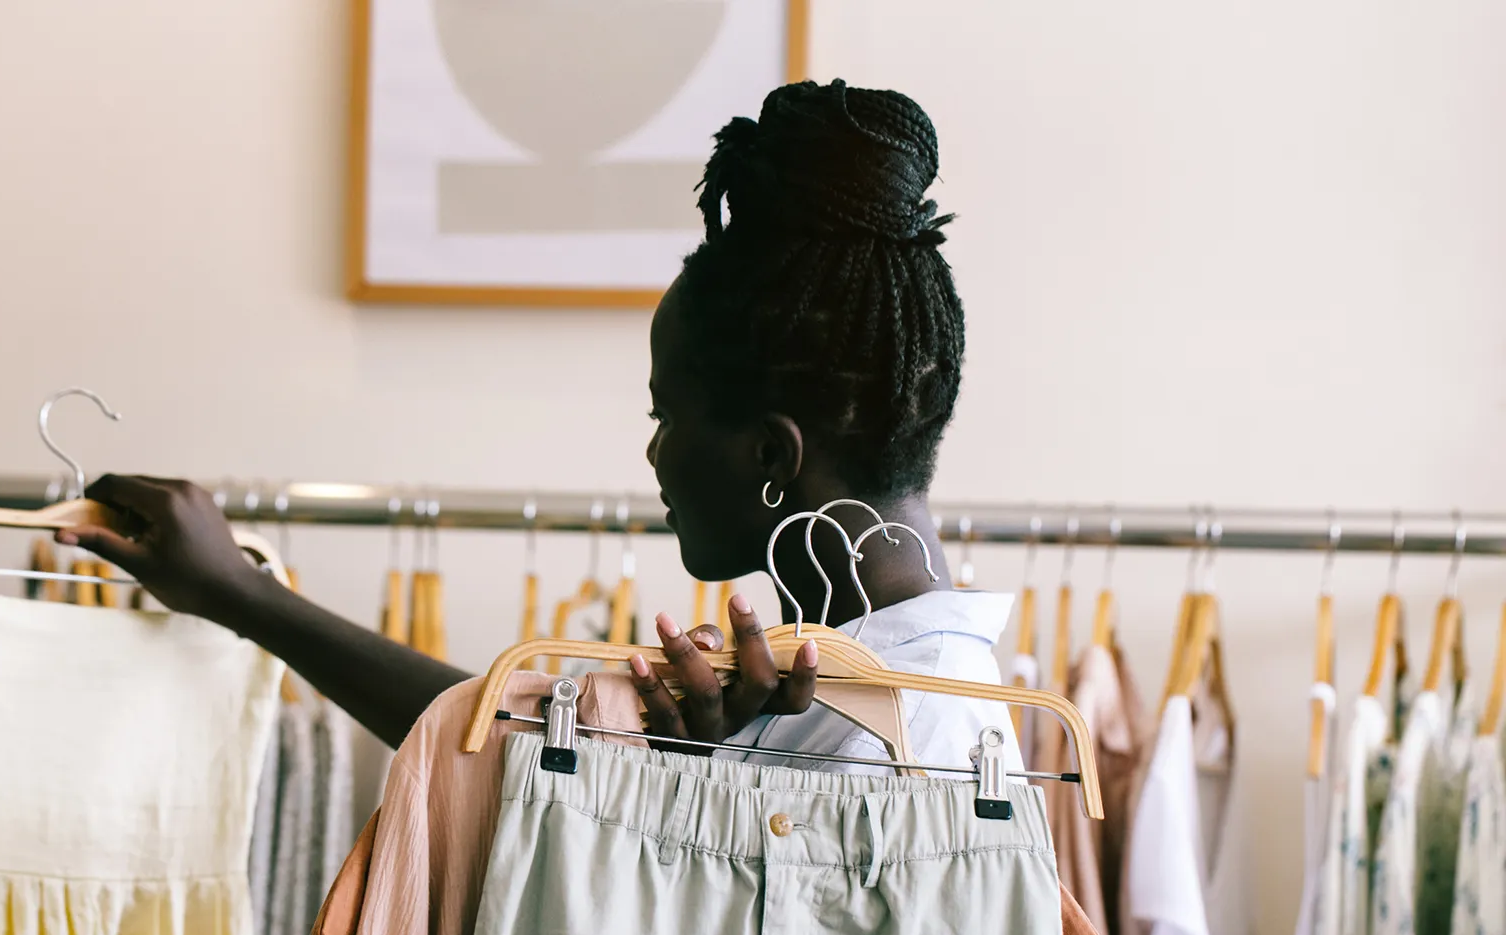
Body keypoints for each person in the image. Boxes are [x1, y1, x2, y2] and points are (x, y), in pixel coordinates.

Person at [60, 78, 1020, 771]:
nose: (653, 451)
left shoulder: (906, 739)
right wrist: (236, 592)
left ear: (771, 452)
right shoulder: (814, 692)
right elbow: (506, 741)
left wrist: (680, 802)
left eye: (666, 415)